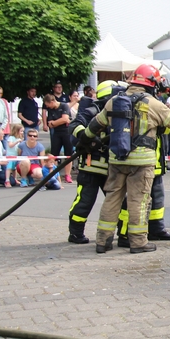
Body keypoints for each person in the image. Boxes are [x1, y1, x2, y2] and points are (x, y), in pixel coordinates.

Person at [80, 64, 170, 254]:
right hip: (142, 162)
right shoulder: (153, 104)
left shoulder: (114, 101)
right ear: (152, 83)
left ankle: (103, 241)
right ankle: (138, 242)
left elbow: (95, 125)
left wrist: (84, 141)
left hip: (117, 159)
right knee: (139, 201)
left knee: (112, 198)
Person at [67, 80, 117, 244]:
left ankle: (123, 234)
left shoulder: (118, 113)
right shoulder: (91, 111)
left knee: (118, 202)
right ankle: (75, 233)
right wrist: (87, 137)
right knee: (85, 201)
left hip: (111, 168)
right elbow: (74, 125)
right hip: (91, 167)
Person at [42, 93, 74, 184]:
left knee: (68, 155)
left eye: (48, 104)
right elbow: (50, 123)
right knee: (54, 154)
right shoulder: (51, 110)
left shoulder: (64, 106)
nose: (48, 107)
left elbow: (65, 119)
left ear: (52, 102)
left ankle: (67, 175)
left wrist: (55, 122)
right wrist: (58, 122)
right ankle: (53, 174)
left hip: (66, 132)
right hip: (56, 133)